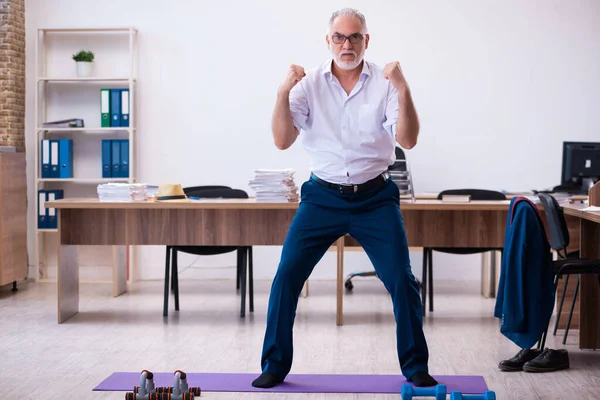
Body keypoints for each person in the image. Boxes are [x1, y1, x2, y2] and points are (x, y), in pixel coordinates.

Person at [252, 7, 437, 389]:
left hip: (375, 199)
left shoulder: (385, 83)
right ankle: (274, 364)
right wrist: (282, 91)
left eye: (355, 37)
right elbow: (282, 141)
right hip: (322, 197)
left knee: (402, 280)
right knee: (286, 275)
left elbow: (408, 140)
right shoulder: (308, 84)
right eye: (339, 37)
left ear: (366, 41)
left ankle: (415, 366)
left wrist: (404, 88)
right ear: (328, 41)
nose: (347, 44)